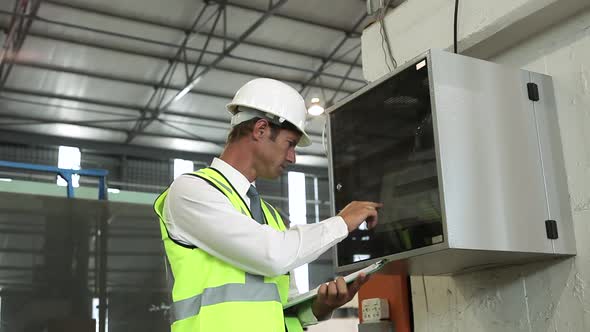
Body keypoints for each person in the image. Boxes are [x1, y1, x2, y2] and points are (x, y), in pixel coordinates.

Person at [153, 78, 382, 332]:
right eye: (290, 144)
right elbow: (273, 255)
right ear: (261, 129)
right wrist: (341, 223)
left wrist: (320, 307)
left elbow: (281, 305)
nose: (293, 158)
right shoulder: (192, 192)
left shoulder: (272, 217)